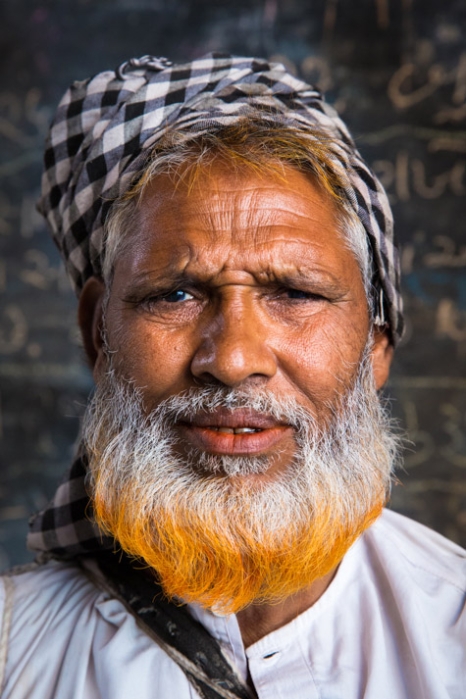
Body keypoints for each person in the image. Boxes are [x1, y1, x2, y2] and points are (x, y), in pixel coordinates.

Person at [0, 54, 464, 699]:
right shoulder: (13, 647)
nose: (234, 358)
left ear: (375, 346)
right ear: (97, 334)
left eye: (295, 293)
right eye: (177, 295)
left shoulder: (453, 637)